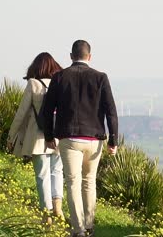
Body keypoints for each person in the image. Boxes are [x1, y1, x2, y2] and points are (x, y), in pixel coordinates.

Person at [40, 40, 118, 237]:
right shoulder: (101, 77)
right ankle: (89, 224)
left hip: (69, 138)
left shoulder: (59, 77)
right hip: (94, 139)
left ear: (71, 56)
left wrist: (49, 136)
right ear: (89, 56)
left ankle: (78, 230)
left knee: (73, 182)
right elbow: (111, 111)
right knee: (89, 182)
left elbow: (46, 111)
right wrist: (113, 140)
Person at [7, 52, 65, 224]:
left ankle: (46, 214)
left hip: (38, 137)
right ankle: (58, 208)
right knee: (57, 172)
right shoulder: (60, 83)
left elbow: (21, 113)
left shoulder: (33, 83)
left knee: (42, 175)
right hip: (59, 136)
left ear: (36, 67)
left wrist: (11, 136)